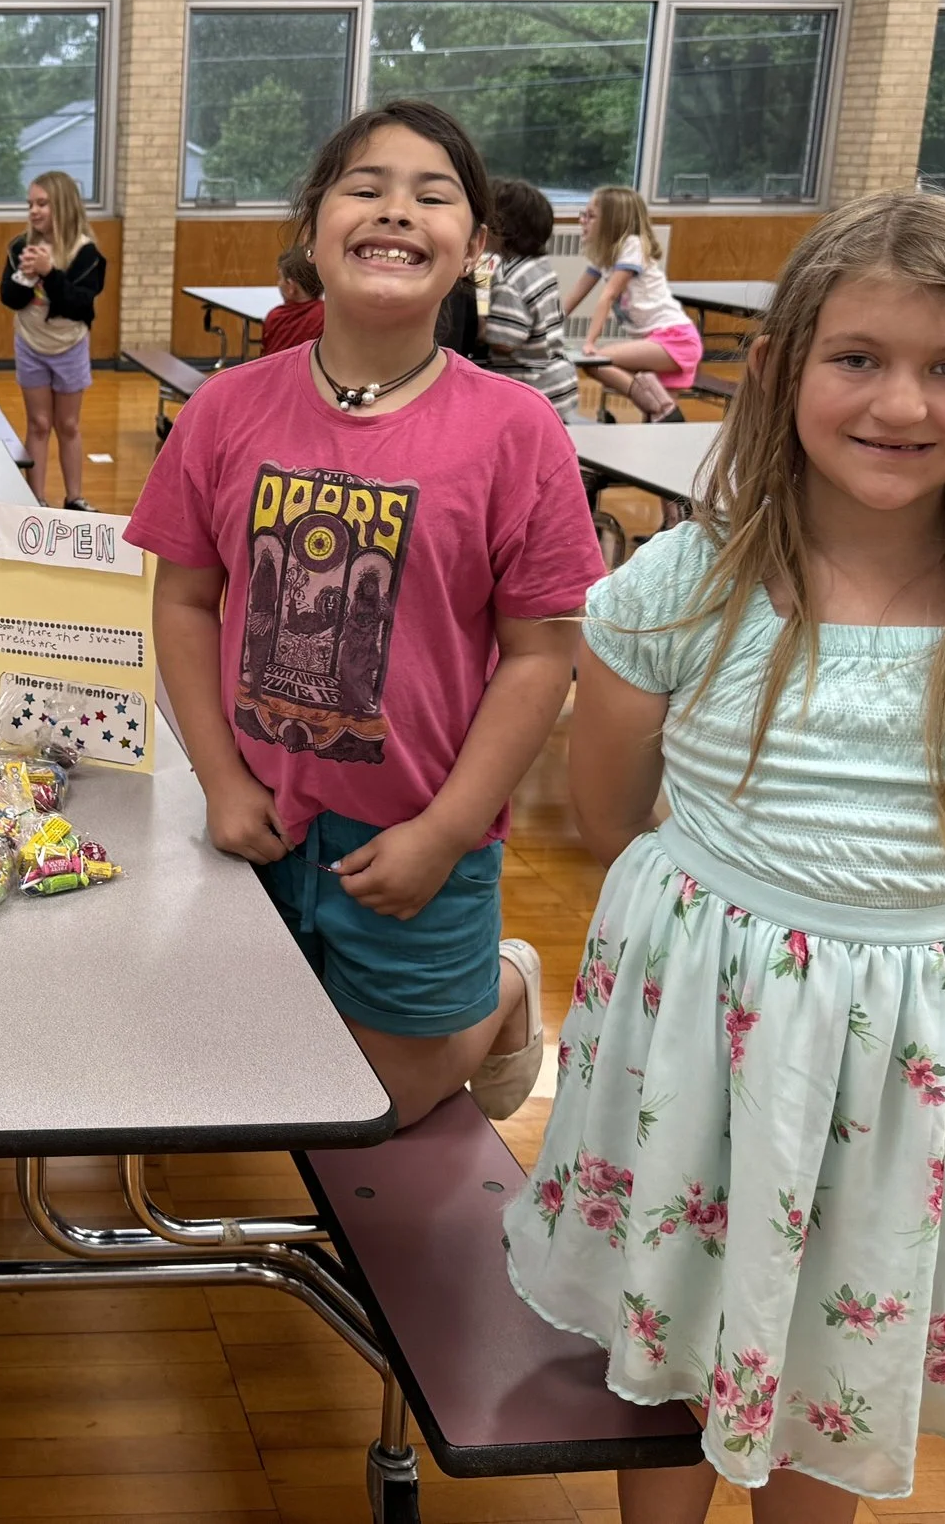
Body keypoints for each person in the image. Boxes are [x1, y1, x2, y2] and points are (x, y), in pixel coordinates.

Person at [505, 194, 945, 1516]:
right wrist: (762, 929)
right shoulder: (683, 583)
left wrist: (900, 949)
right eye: (858, 356)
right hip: (703, 1002)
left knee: (832, 1345)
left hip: (913, 1030)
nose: (901, 402)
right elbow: (611, 809)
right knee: (680, 1313)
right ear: (790, 360)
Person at [128, 99, 605, 1129]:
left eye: (431, 196)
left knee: (380, 1108)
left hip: (415, 835)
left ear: (473, 247)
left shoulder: (515, 432)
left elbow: (538, 655)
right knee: (246, 1066)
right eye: (365, 187)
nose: (396, 210)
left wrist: (442, 830)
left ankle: (506, 987)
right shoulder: (224, 409)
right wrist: (217, 777)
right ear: (310, 228)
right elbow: (182, 598)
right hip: (257, 814)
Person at [0, 170, 106, 510]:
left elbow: (78, 304)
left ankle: (75, 497)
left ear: (62, 205)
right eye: (30, 203)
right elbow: (9, 297)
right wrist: (26, 277)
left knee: (68, 424)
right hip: (31, 343)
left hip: (70, 345)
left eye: (42, 203)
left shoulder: (86, 253)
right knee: (39, 423)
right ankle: (35, 499)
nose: (34, 210)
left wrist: (49, 273)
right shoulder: (20, 247)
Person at [569, 187, 699, 423]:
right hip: (653, 341)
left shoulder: (632, 244)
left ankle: (663, 409)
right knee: (657, 421)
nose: (582, 220)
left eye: (590, 216)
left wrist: (590, 342)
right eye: (583, 214)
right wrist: (547, 323)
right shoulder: (606, 256)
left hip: (675, 338)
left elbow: (608, 295)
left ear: (611, 221)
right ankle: (663, 411)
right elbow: (577, 294)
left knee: (596, 362)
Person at [482, 177, 583, 422]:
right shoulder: (539, 266)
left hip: (534, 392)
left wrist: (482, 320)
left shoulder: (508, 280)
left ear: (499, 229)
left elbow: (505, 341)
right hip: (561, 379)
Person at [260, 243, 323, 357]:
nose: (278, 283)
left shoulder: (275, 317)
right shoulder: (327, 314)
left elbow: (266, 358)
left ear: (291, 286)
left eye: (280, 278)